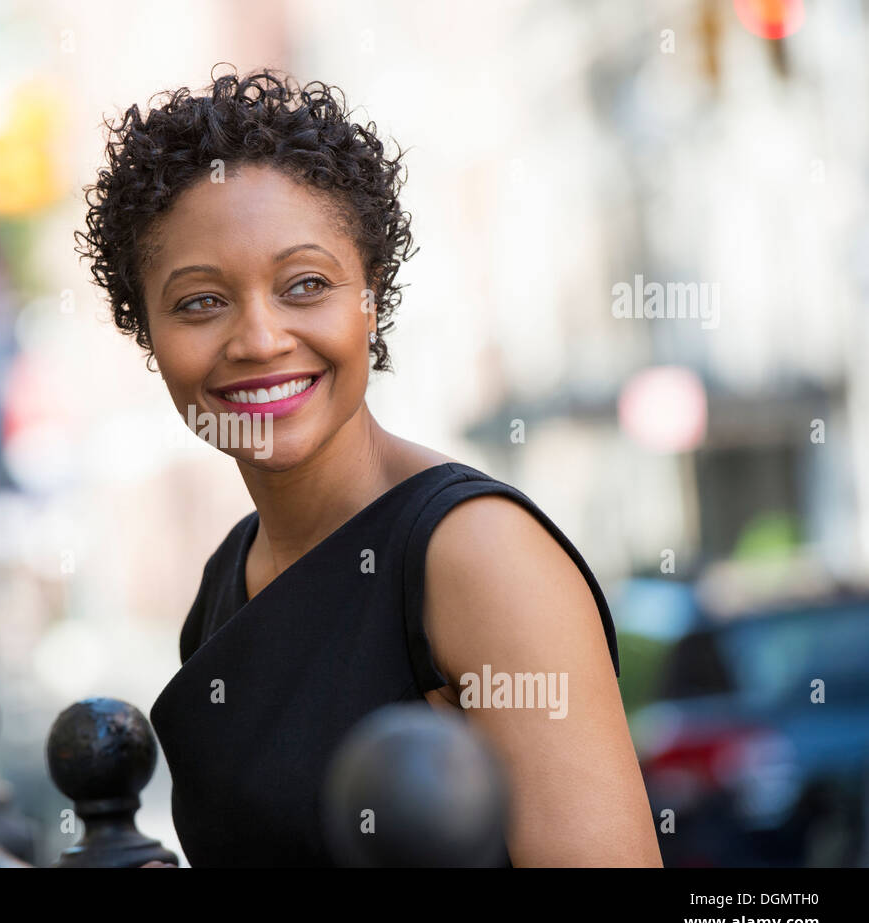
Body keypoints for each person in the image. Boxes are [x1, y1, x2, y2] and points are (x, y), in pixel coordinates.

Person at [76, 65, 663, 867]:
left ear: (371, 300)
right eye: (200, 301)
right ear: (146, 332)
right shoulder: (227, 574)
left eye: (306, 285)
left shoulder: (477, 553)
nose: (259, 338)